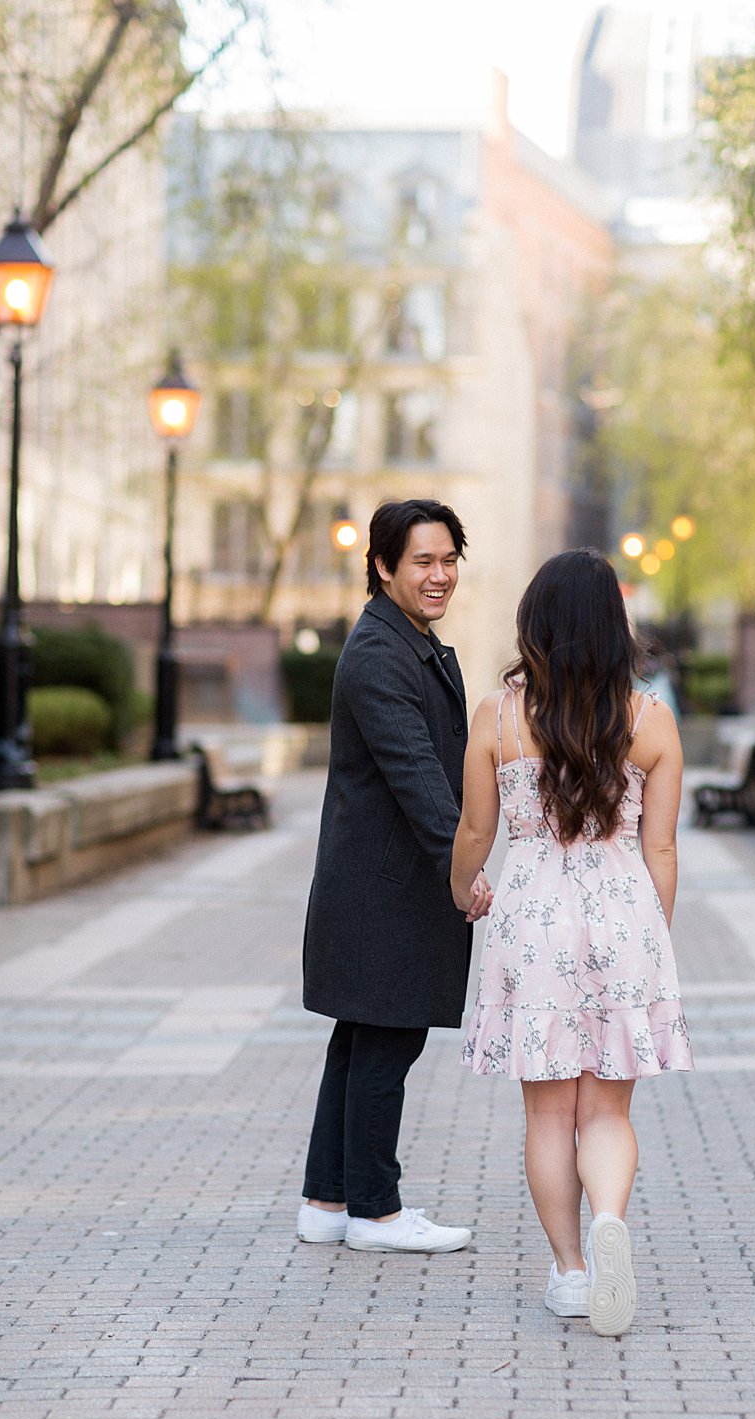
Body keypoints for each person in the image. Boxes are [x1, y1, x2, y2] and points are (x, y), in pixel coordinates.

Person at [451, 549, 690, 1336]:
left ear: (537, 622)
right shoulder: (650, 720)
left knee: (549, 1114)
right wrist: (652, 936)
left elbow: (477, 830)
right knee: (609, 1110)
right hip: (623, 914)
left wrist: (464, 889)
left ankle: (570, 1271)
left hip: (533, 919)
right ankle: (610, 1218)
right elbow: (660, 850)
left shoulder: (498, 715)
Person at [299, 499, 488, 1255]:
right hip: (385, 890)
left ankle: (327, 1197)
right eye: (423, 561)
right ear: (382, 565)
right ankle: (375, 1211)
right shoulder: (381, 652)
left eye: (448, 560)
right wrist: (464, 867)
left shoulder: (410, 641)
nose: (439, 575)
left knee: (361, 1036)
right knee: (386, 1039)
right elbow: (417, 773)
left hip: (381, 884)